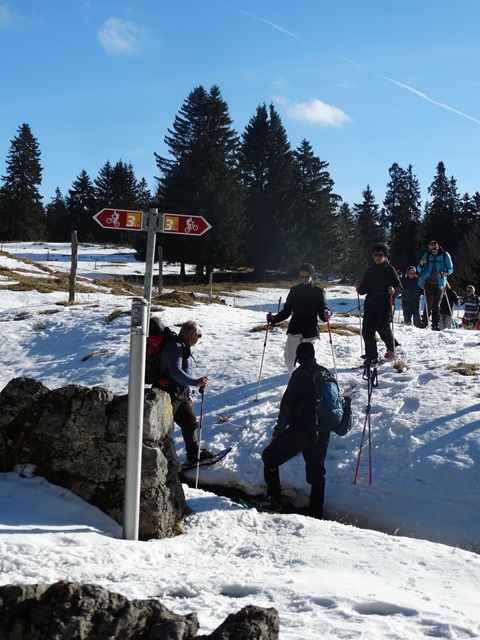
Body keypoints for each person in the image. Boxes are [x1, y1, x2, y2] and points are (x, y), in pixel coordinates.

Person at [261, 342, 332, 519]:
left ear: (298, 357)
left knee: (270, 456)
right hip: (323, 430)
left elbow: (287, 407)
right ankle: (316, 513)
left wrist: (277, 433)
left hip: (303, 430)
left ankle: (274, 500)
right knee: (318, 472)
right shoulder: (325, 372)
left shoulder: (300, 374)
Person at [153, 320, 214, 465]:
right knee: (164, 429)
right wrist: (195, 382)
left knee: (190, 423)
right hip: (166, 394)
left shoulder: (181, 346)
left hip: (179, 393)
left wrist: (187, 393)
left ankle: (194, 457)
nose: (199, 339)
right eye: (199, 336)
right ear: (193, 335)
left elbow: (181, 372)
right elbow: (175, 372)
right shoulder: (174, 346)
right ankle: (160, 461)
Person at [267, 262, 331, 374]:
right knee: (289, 360)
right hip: (295, 328)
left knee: (308, 361)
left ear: (312, 276)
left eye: (307, 276)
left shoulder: (319, 292)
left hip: (310, 330)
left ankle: (307, 381)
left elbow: (323, 311)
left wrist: (327, 313)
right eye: (302, 276)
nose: (304, 279)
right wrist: (273, 319)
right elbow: (286, 311)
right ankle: (294, 378)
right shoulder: (294, 291)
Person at [355, 243, 402, 364]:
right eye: (375, 254)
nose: (377, 257)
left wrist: (393, 291)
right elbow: (364, 289)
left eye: (380, 255)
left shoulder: (390, 270)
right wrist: (359, 288)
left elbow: (399, 287)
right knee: (367, 330)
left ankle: (393, 348)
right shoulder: (370, 270)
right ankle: (371, 356)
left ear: (385, 256)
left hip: (385, 303)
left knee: (382, 328)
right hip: (371, 303)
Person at [417, 240, 454, 331]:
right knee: (429, 302)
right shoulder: (427, 255)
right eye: (431, 250)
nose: (432, 251)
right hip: (428, 282)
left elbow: (451, 269)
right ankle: (425, 322)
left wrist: (445, 273)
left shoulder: (445, 255)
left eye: (434, 249)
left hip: (440, 283)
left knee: (436, 305)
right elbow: (419, 269)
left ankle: (435, 324)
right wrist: (421, 264)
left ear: (438, 247)